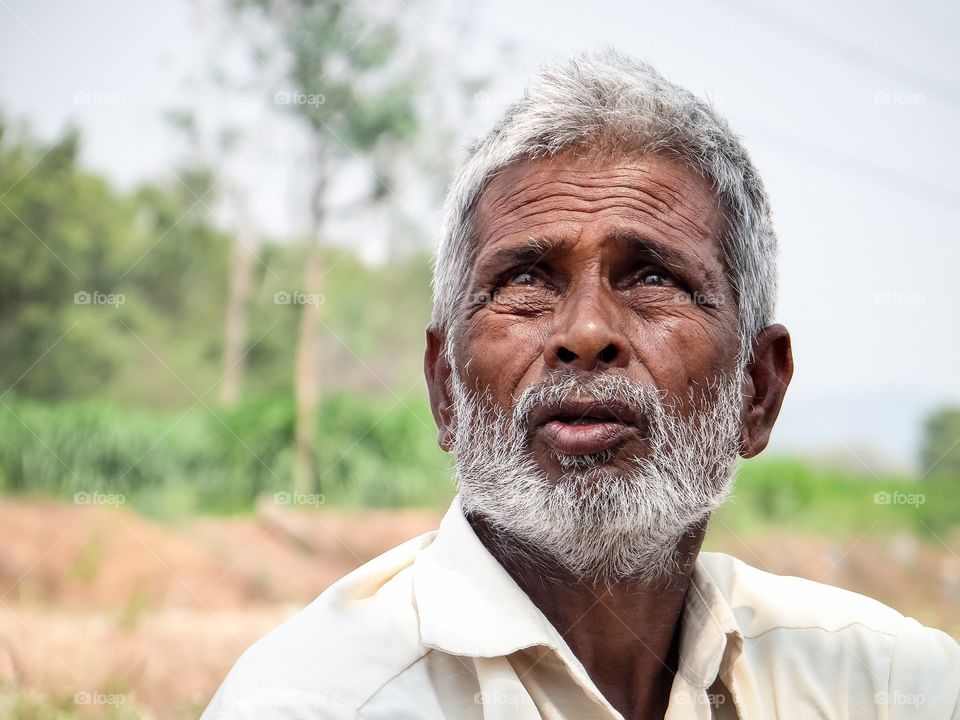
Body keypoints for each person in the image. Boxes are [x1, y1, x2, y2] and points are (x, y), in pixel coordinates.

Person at [201, 49, 960, 719]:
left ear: (757, 392)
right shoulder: (313, 703)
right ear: (445, 392)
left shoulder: (888, 685)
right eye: (526, 280)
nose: (587, 332)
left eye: (654, 277)